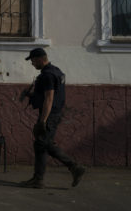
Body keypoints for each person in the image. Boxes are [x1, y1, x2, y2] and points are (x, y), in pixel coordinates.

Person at [20, 47, 85, 189]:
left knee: (43, 144)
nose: (32, 63)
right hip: (54, 113)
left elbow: (49, 99)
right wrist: (30, 95)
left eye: (32, 60)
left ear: (39, 59)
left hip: (49, 115)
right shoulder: (56, 71)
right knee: (41, 145)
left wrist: (43, 121)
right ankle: (38, 179)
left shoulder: (48, 75)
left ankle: (74, 166)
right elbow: (47, 95)